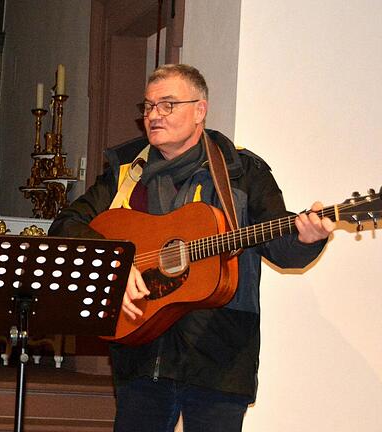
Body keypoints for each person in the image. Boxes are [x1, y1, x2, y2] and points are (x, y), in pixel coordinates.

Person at [49, 64, 336, 432]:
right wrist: (117, 268)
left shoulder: (241, 170)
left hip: (220, 355)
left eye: (167, 105)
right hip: (140, 353)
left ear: (200, 109)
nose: (153, 115)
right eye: (149, 106)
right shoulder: (125, 171)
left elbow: (280, 245)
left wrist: (308, 237)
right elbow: (67, 225)